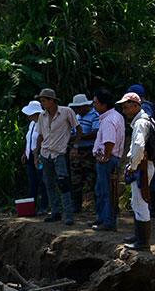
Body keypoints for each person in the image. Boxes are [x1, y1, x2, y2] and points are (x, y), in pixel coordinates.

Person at [33, 88, 79, 225]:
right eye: (41, 101)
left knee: (63, 182)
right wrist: (36, 155)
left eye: (44, 101)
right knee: (49, 182)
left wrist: (75, 146)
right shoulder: (42, 116)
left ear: (52, 101)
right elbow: (40, 135)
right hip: (46, 152)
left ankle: (68, 214)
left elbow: (78, 127)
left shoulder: (66, 112)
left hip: (60, 152)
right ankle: (55, 212)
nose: (42, 104)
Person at [118, 91, 153, 251]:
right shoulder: (144, 120)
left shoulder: (140, 123)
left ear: (135, 106)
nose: (124, 111)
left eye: (126, 108)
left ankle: (143, 242)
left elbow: (139, 146)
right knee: (137, 200)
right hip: (144, 165)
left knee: (140, 202)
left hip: (142, 166)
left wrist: (133, 165)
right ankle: (139, 237)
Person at [127, 83, 155, 212]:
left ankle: (154, 208)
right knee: (152, 180)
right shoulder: (150, 107)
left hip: (144, 156)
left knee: (143, 192)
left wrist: (134, 165)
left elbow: (139, 142)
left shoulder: (142, 115)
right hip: (150, 152)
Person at [91, 89, 124, 232]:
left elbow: (109, 141)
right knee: (102, 190)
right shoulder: (115, 116)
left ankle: (108, 221)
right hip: (110, 159)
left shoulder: (109, 120)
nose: (94, 105)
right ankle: (102, 218)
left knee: (106, 191)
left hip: (108, 160)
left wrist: (105, 157)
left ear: (104, 105)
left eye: (96, 103)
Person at [68, 93, 99, 214]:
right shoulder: (76, 116)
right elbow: (71, 131)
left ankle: (98, 207)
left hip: (89, 151)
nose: (77, 109)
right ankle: (76, 207)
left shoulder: (94, 116)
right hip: (77, 150)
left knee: (92, 179)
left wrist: (79, 137)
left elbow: (95, 132)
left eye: (79, 107)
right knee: (75, 179)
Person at [20, 99, 49, 215]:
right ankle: (32, 207)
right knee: (32, 183)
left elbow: (45, 141)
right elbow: (29, 141)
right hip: (30, 158)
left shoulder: (43, 124)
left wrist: (37, 153)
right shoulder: (31, 124)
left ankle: (44, 206)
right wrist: (25, 153)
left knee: (43, 181)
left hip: (40, 157)